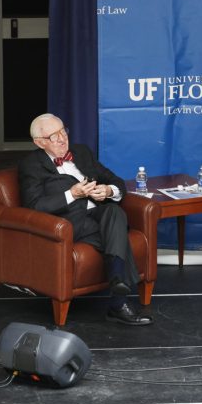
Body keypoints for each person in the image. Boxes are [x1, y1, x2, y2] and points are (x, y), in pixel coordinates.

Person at [18, 113, 153, 326]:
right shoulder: (31, 165)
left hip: (99, 213)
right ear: (39, 142)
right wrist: (73, 194)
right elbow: (34, 206)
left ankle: (117, 281)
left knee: (115, 212)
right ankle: (118, 301)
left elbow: (115, 180)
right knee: (115, 230)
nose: (62, 138)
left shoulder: (81, 152)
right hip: (69, 222)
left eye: (63, 131)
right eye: (54, 136)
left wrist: (109, 190)